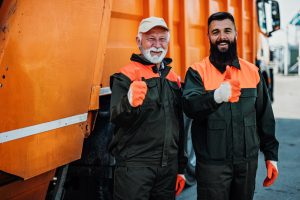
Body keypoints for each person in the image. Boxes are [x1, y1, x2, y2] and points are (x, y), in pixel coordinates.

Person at [182, 12, 279, 200]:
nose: (222, 37)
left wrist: (271, 156)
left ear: (235, 34)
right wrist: (216, 96)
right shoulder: (197, 72)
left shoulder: (252, 72)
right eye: (215, 32)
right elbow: (189, 106)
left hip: (247, 164)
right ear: (208, 37)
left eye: (227, 30)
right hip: (212, 167)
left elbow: (265, 117)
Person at [109, 16, 187, 200]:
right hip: (135, 169)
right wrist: (128, 103)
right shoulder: (126, 76)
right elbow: (116, 117)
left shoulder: (173, 78)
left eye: (162, 39)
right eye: (151, 39)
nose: (157, 45)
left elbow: (179, 126)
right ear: (139, 41)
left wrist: (181, 168)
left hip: (167, 169)